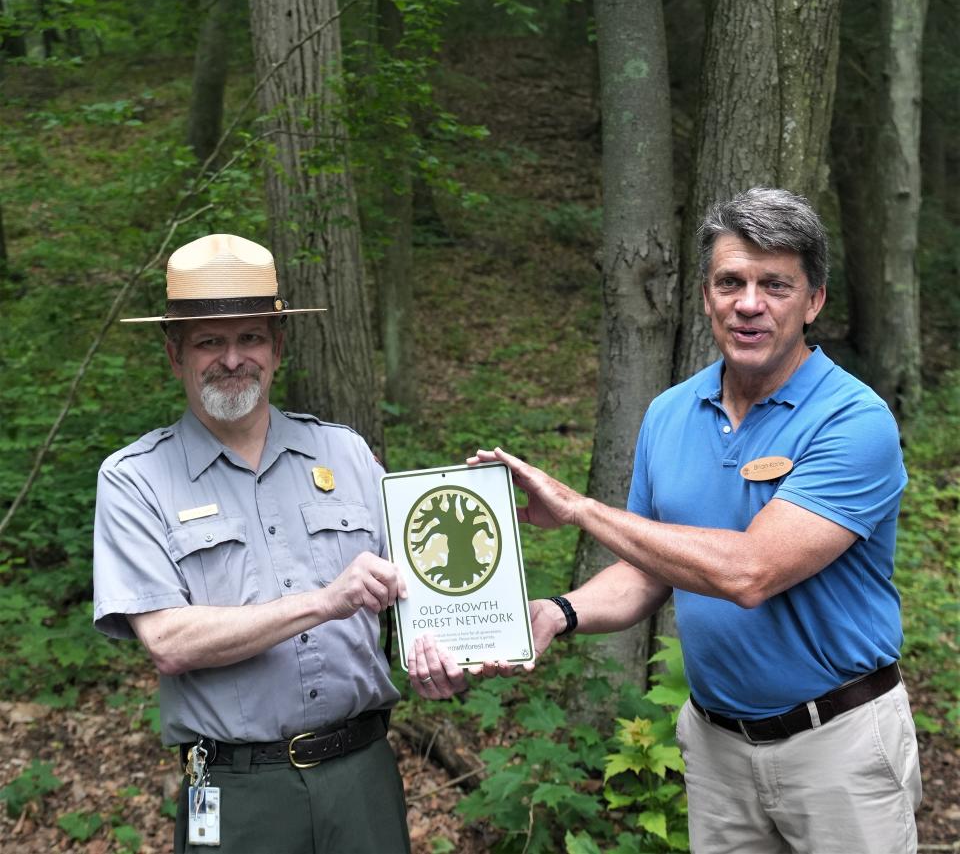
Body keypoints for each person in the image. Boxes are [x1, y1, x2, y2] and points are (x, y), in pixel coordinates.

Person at [411, 187, 922, 854]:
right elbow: (648, 569)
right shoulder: (670, 414)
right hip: (716, 747)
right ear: (706, 296)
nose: (749, 303)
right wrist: (558, 613)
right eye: (730, 281)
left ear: (814, 300)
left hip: (839, 746)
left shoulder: (852, 420)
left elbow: (750, 570)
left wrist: (581, 509)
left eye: (775, 285)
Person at [93, 233, 411, 854]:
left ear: (278, 347)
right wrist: (324, 601)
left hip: (363, 776)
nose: (232, 358)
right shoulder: (135, 479)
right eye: (209, 341)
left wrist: (445, 652)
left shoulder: (344, 453)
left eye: (250, 338)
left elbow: (415, 590)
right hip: (237, 793)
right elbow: (168, 641)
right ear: (174, 354)